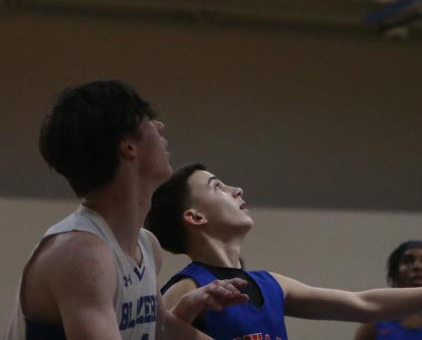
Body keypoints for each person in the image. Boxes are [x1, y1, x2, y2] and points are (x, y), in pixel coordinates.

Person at [147, 164, 422, 340]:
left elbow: (364, 303)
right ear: (194, 217)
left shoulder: (271, 284)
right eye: (218, 187)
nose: (237, 188)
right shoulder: (184, 290)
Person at [3, 80, 248, 340]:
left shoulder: (146, 245)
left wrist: (188, 308)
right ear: (128, 145)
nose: (160, 127)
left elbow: (159, 327)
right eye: (148, 119)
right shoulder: (81, 253)